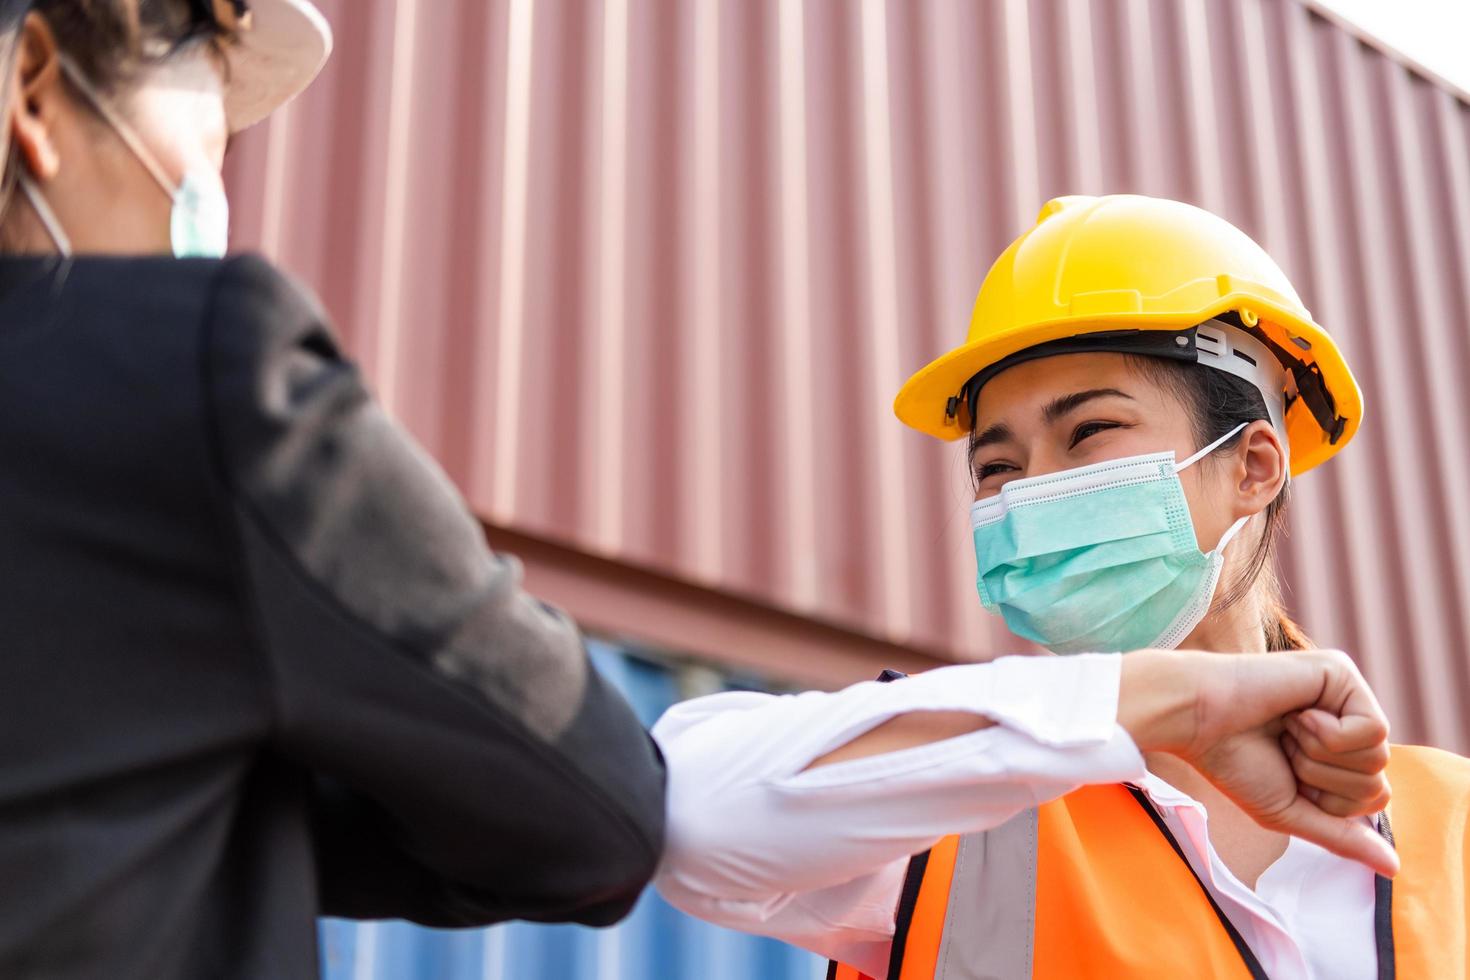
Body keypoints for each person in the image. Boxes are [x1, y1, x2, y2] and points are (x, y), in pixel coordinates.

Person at [0, 2, 664, 977]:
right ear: (36, 87)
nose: (209, 199)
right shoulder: (202, 374)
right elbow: (598, 808)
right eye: (210, 144)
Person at [653, 195, 1470, 979]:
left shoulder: (1455, 824)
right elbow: (673, 803)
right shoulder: (959, 807)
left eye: (1087, 432)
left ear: (1254, 467)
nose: (1029, 496)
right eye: (996, 468)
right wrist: (1151, 705)